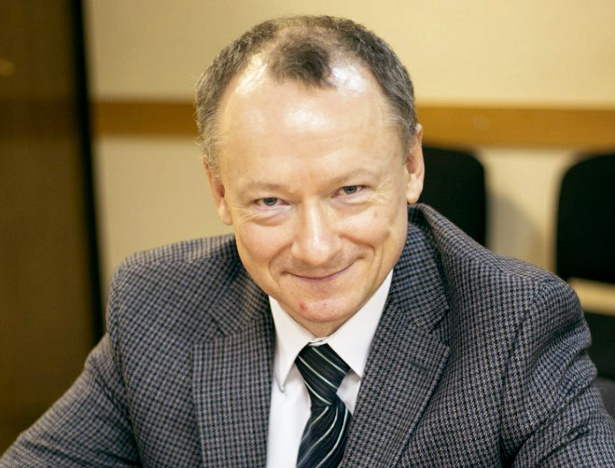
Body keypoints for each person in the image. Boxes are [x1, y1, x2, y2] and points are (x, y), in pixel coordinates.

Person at [2, 15, 614, 467]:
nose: (316, 249)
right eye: (271, 202)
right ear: (220, 192)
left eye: (349, 190)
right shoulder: (157, 306)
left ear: (411, 166)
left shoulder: (513, 323)